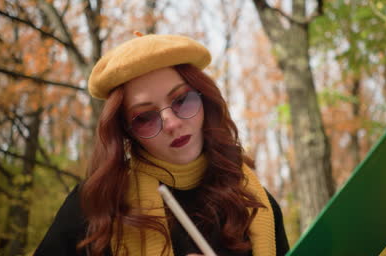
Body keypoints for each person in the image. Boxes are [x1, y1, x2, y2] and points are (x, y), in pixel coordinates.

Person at [34, 34, 289, 256]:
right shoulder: (94, 205)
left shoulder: (256, 204)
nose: (172, 124)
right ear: (126, 132)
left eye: (182, 100)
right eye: (144, 117)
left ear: (205, 100)